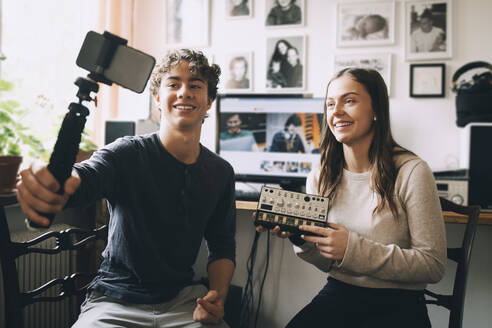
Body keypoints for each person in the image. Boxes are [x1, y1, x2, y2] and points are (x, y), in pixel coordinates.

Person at [17, 49, 236, 327]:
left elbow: (223, 244)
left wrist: (218, 296)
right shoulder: (126, 153)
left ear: (209, 101)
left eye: (195, 86)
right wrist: (57, 186)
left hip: (184, 302)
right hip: (113, 300)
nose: (184, 92)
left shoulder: (220, 172)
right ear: (157, 98)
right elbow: (85, 178)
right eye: (173, 84)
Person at [257, 68, 446, 327]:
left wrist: (352, 248)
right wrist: (303, 241)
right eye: (330, 104)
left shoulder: (412, 171)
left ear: (376, 110)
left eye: (350, 101)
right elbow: (329, 265)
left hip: (399, 304)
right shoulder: (320, 176)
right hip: (340, 293)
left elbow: (432, 265)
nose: (336, 112)